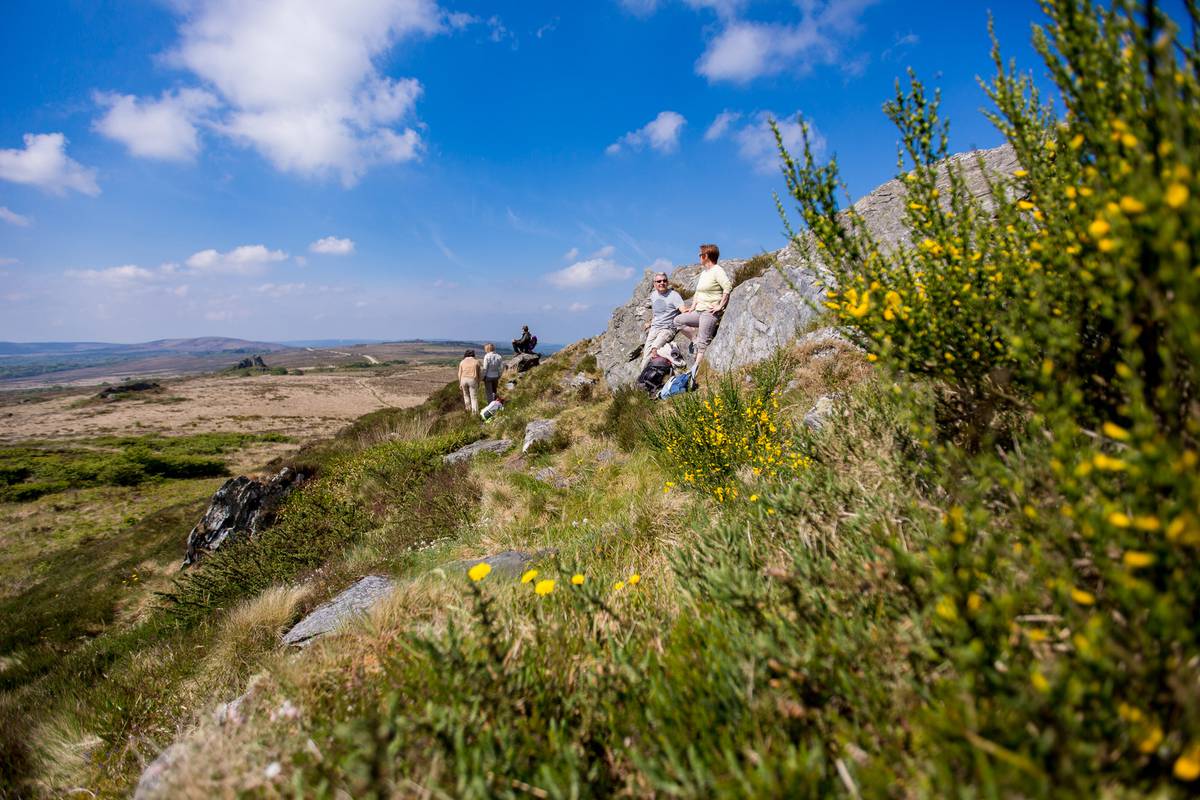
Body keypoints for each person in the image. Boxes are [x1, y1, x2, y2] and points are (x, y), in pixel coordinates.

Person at [673, 243, 730, 378]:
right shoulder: (704, 273)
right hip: (698, 311)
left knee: (703, 343)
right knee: (678, 320)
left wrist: (720, 306)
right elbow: (698, 293)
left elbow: (727, 287)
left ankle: (695, 371)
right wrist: (692, 307)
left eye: (700, 255)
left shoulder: (717, 270)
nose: (699, 257)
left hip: (709, 312)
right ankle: (695, 339)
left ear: (706, 256)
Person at [640, 271, 686, 369]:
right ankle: (643, 374)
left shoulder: (674, 295)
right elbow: (657, 313)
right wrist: (650, 322)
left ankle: (648, 374)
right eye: (659, 281)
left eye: (664, 280)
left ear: (667, 282)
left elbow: (683, 310)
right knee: (646, 354)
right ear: (654, 284)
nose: (662, 283)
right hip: (654, 328)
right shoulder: (653, 295)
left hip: (667, 328)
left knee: (654, 349)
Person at [457, 349, 481, 414]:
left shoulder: (462, 362)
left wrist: (460, 383)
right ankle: (474, 413)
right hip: (473, 379)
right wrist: (478, 383)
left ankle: (468, 410)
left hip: (463, 379)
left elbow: (459, 374)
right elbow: (479, 374)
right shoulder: (476, 362)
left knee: (466, 395)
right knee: (474, 397)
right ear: (473, 354)